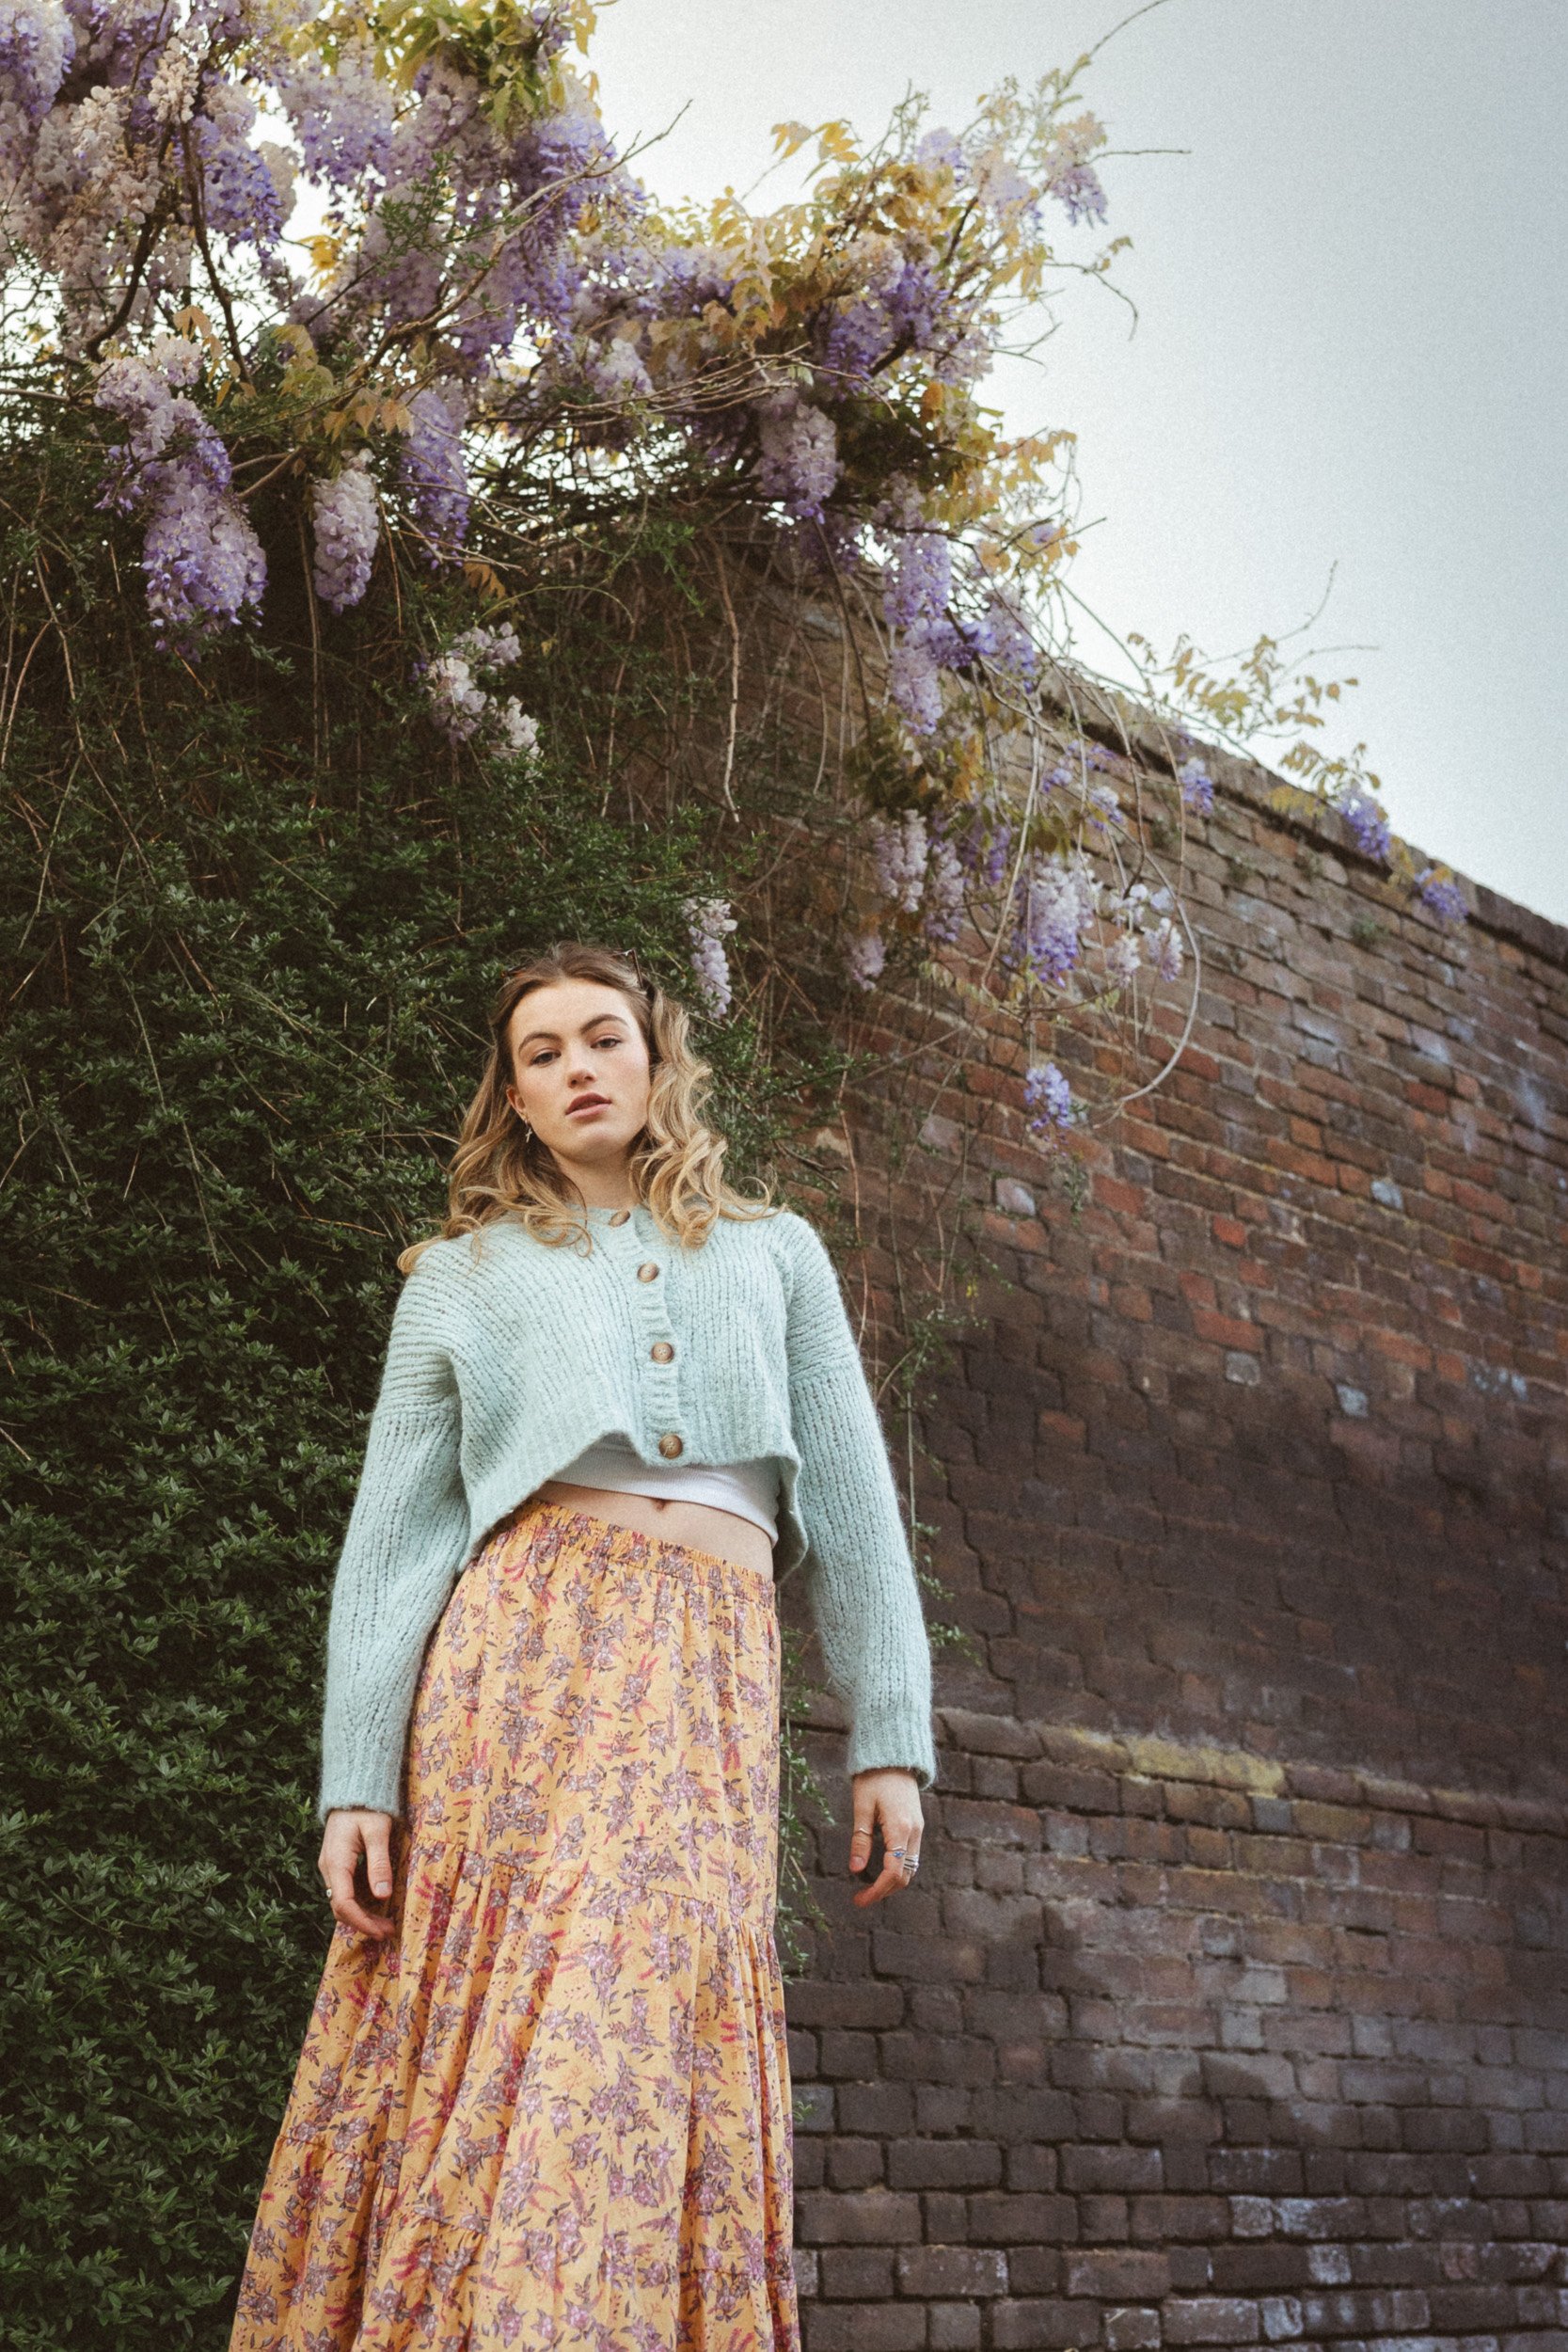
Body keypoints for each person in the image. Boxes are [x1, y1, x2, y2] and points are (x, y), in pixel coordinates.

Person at [230, 938, 938, 2351]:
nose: (576, 1068)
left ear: (657, 1058)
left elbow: (854, 1505)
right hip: (524, 1660)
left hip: (714, 1671)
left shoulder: (774, 1252)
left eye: (601, 1038)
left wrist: (891, 1743)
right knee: (539, 2000)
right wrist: (356, 1780)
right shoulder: (459, 1275)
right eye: (541, 1054)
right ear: (514, 1097)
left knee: (641, 2009)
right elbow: (395, 1542)